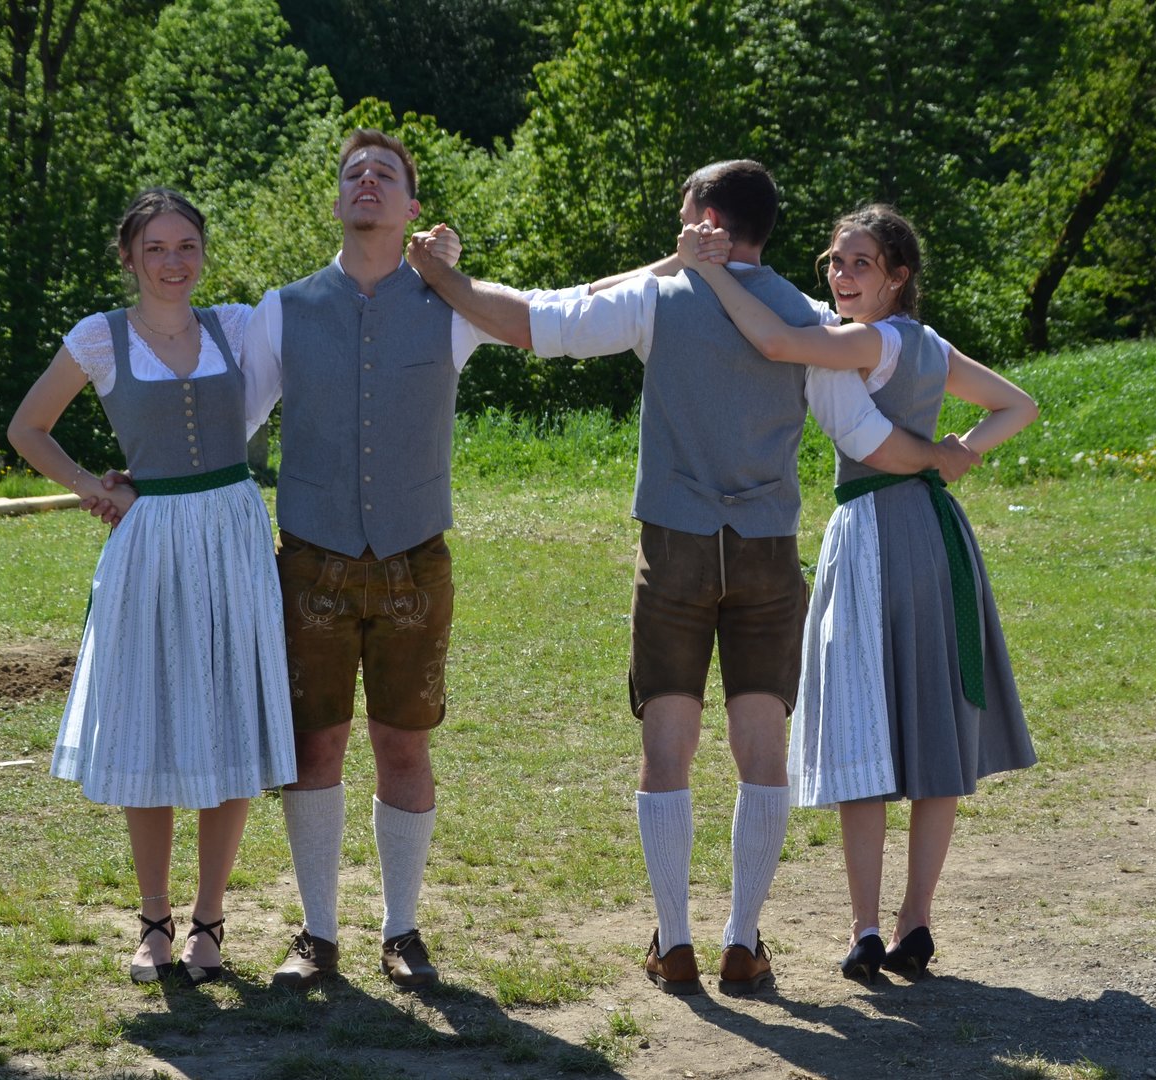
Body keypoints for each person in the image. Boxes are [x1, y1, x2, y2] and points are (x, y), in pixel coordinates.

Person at [406, 161, 981, 996]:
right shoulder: (810, 317)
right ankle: (741, 939)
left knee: (666, 744)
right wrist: (940, 457)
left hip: (674, 546)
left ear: (706, 220)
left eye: (682, 213)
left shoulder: (659, 300)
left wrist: (443, 279)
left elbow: (534, 321)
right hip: (765, 551)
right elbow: (866, 439)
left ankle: (673, 940)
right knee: (761, 748)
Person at [675, 203, 1038, 981]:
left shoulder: (869, 341)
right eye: (835, 261)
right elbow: (1019, 404)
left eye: (859, 263)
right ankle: (914, 922)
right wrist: (957, 452)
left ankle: (867, 927)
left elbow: (776, 341)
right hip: (936, 536)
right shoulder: (928, 345)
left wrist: (711, 272)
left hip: (874, 533)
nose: (841, 275)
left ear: (896, 277)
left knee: (861, 726)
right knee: (932, 728)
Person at [240, 129, 517, 992]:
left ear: (411, 207)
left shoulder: (453, 306)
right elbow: (233, 421)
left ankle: (402, 929)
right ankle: (317, 933)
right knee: (313, 745)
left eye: (384, 173)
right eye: (353, 172)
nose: (366, 180)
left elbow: (560, 315)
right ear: (336, 201)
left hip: (413, 562)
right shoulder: (283, 308)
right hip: (310, 562)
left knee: (403, 745)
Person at [7, 188, 297, 985]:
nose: (174, 262)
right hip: (152, 538)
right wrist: (88, 486)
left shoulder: (236, 325)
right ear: (129, 258)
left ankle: (210, 920)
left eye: (186, 246)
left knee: (228, 718)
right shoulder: (99, 338)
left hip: (233, 531)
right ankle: (153, 920)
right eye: (156, 249)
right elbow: (27, 427)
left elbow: (328, 315)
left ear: (203, 253)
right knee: (153, 720)